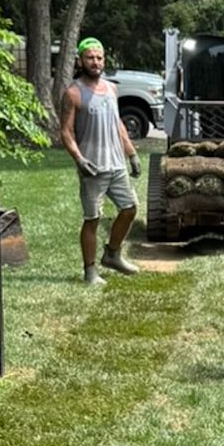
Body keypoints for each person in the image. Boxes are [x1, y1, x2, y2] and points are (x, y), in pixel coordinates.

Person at [60, 38, 140, 286]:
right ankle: (90, 270)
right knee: (92, 219)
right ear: (80, 61)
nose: (95, 62)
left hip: (116, 164)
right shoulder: (73, 92)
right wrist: (80, 160)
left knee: (129, 209)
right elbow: (65, 131)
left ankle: (113, 254)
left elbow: (118, 124)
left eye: (99, 58)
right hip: (92, 168)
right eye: (90, 58)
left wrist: (132, 154)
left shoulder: (111, 89)